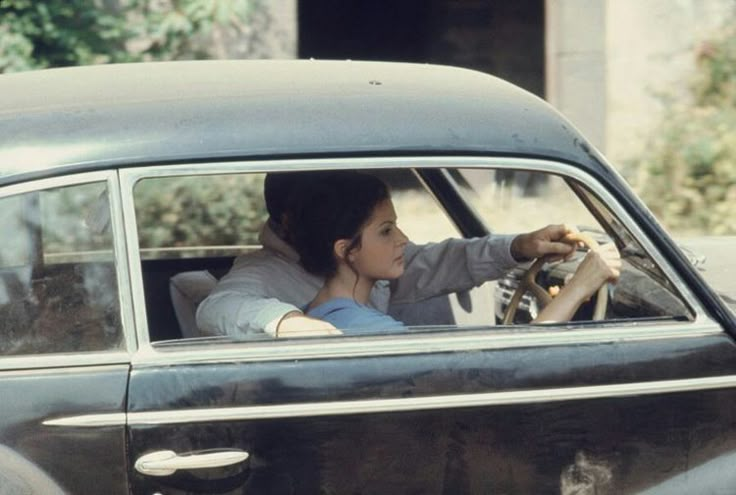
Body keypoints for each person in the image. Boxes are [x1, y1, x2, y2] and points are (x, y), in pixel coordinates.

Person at [195, 170, 596, 338]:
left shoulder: (350, 277)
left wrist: (518, 247)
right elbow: (218, 308)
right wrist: (289, 324)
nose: (401, 238)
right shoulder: (266, 273)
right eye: (386, 229)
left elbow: (437, 261)